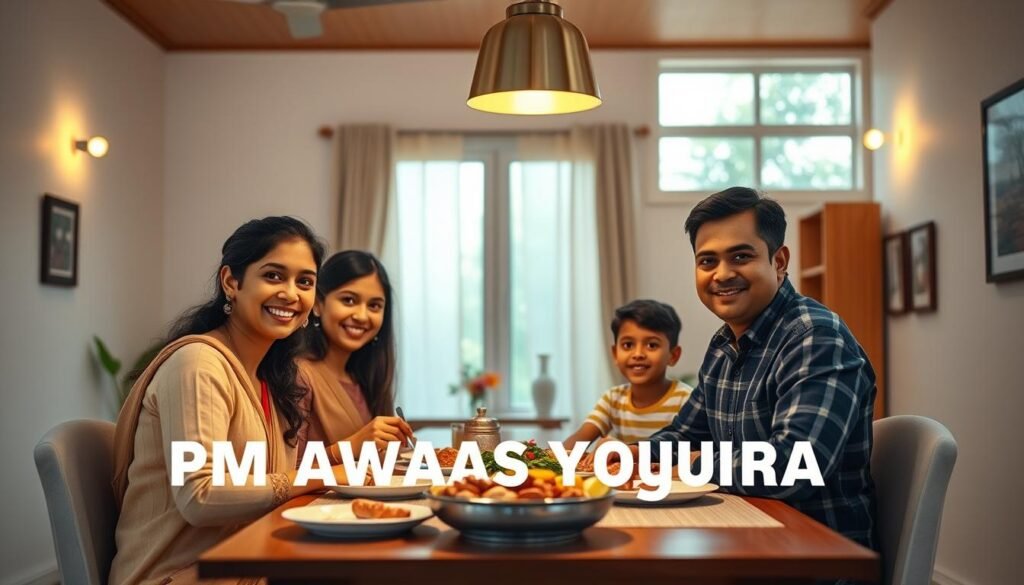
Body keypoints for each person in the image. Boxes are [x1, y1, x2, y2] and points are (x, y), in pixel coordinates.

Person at [614, 187, 877, 552]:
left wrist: (694, 464)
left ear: (779, 261)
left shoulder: (815, 336)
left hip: (812, 558)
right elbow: (687, 435)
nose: (722, 274)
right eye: (707, 261)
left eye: (740, 256)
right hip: (741, 538)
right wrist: (635, 454)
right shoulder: (724, 345)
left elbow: (797, 466)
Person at [109, 217, 351, 585]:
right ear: (231, 283)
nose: (290, 293)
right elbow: (200, 496)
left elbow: (261, 478)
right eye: (273, 276)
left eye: (304, 282)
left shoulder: (267, 378)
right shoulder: (198, 364)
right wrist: (321, 474)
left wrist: (342, 457)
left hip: (244, 569)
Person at [298, 250, 414, 463]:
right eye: (349, 300)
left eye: (374, 306)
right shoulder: (299, 375)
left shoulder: (364, 378)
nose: (361, 316)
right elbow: (286, 470)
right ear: (318, 304)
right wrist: (354, 444)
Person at [563, 299, 692, 465]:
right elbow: (578, 440)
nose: (638, 354)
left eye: (652, 345)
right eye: (628, 345)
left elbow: (691, 454)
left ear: (673, 355)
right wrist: (551, 459)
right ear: (615, 353)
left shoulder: (686, 399)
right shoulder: (613, 398)